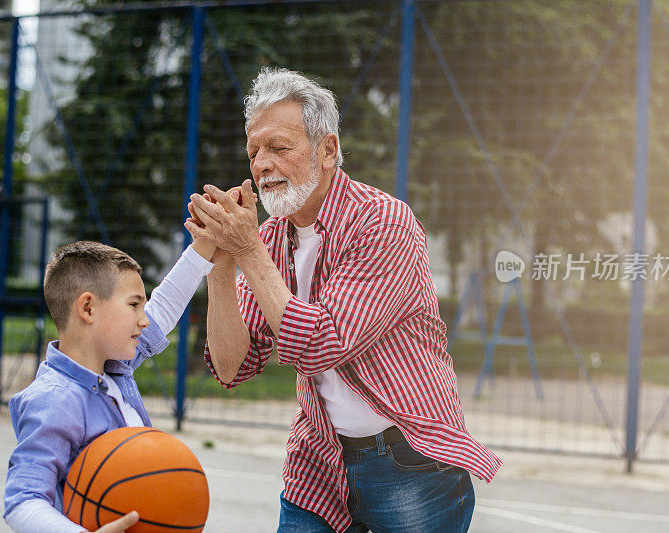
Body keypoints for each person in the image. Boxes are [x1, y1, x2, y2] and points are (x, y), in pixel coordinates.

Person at [185, 67, 502, 532]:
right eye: (253, 151)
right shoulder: (270, 239)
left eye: (277, 147)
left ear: (327, 149)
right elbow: (233, 367)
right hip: (320, 458)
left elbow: (321, 341)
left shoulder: (383, 222)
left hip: (409, 460)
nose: (260, 164)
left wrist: (248, 250)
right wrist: (222, 264)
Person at [3, 239, 215, 533]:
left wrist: (204, 245)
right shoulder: (54, 400)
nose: (144, 320)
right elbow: (23, 500)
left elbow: (164, 307)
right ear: (88, 308)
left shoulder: (114, 368)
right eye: (134, 305)